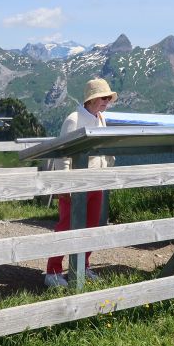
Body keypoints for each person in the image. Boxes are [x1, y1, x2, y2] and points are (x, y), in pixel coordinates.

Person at [44, 77, 117, 288]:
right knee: (66, 226)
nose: (106, 101)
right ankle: (53, 271)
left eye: (108, 98)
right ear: (91, 99)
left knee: (92, 225)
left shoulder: (100, 117)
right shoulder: (73, 119)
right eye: (103, 98)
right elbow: (62, 155)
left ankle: (82, 266)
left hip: (96, 182)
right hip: (75, 184)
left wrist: (108, 168)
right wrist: (65, 184)